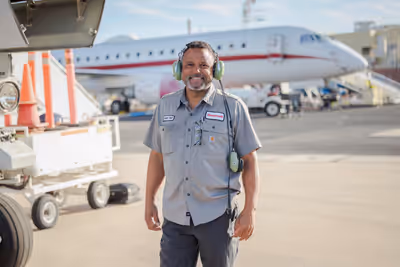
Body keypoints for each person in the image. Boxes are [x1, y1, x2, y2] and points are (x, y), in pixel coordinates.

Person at [143, 41, 262, 267]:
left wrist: (250, 210)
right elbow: (157, 157)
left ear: (215, 70)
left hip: (217, 217)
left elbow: (250, 161)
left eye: (203, 65)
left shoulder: (233, 107)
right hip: (175, 218)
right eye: (189, 65)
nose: (196, 71)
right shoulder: (165, 107)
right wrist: (150, 201)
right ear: (179, 70)